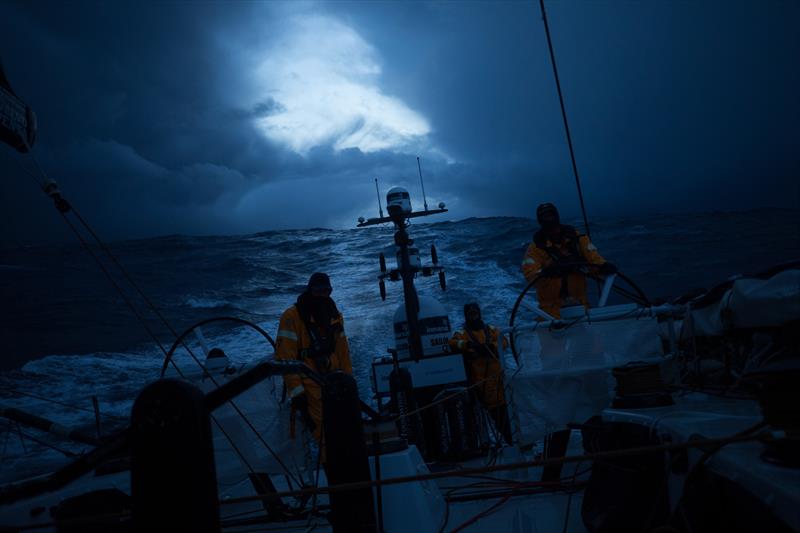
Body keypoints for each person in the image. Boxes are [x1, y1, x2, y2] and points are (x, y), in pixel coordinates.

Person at [276, 272, 353, 444]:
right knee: (324, 437)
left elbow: (343, 351)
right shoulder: (291, 317)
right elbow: (285, 359)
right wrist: (297, 393)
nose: (322, 295)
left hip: (335, 383)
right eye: (318, 291)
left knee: (344, 431)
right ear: (310, 290)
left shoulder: (334, 316)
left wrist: (349, 382)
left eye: (326, 291)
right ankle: (331, 467)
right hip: (309, 387)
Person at [521, 203, 616, 318]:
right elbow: (531, 276)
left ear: (557, 216)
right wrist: (545, 272)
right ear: (540, 221)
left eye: (551, 215)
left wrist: (604, 266)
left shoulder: (578, 239)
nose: (549, 219)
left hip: (581, 307)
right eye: (545, 217)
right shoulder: (534, 249)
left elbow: (594, 260)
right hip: (550, 313)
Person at [449, 302, 513, 445]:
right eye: (470, 313)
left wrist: (492, 346)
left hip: (501, 381)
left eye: (475, 312)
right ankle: (511, 443)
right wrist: (468, 345)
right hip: (482, 385)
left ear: (479, 313)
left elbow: (504, 341)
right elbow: (452, 343)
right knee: (499, 417)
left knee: (511, 416)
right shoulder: (462, 334)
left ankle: (516, 443)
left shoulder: (491, 330)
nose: (473, 315)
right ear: (466, 315)